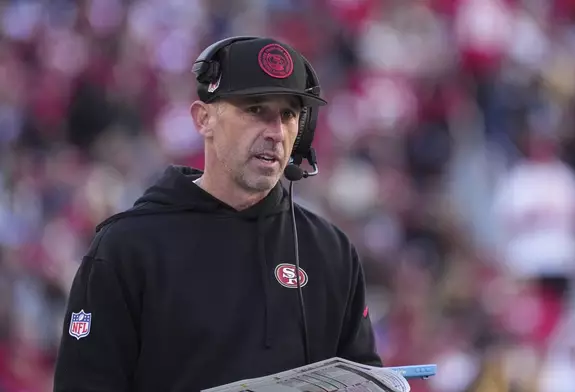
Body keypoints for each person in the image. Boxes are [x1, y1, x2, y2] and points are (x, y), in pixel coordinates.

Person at [52, 36, 382, 392]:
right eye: (255, 109)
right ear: (203, 118)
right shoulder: (127, 248)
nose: (275, 132)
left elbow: (364, 379)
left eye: (288, 115)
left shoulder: (331, 252)